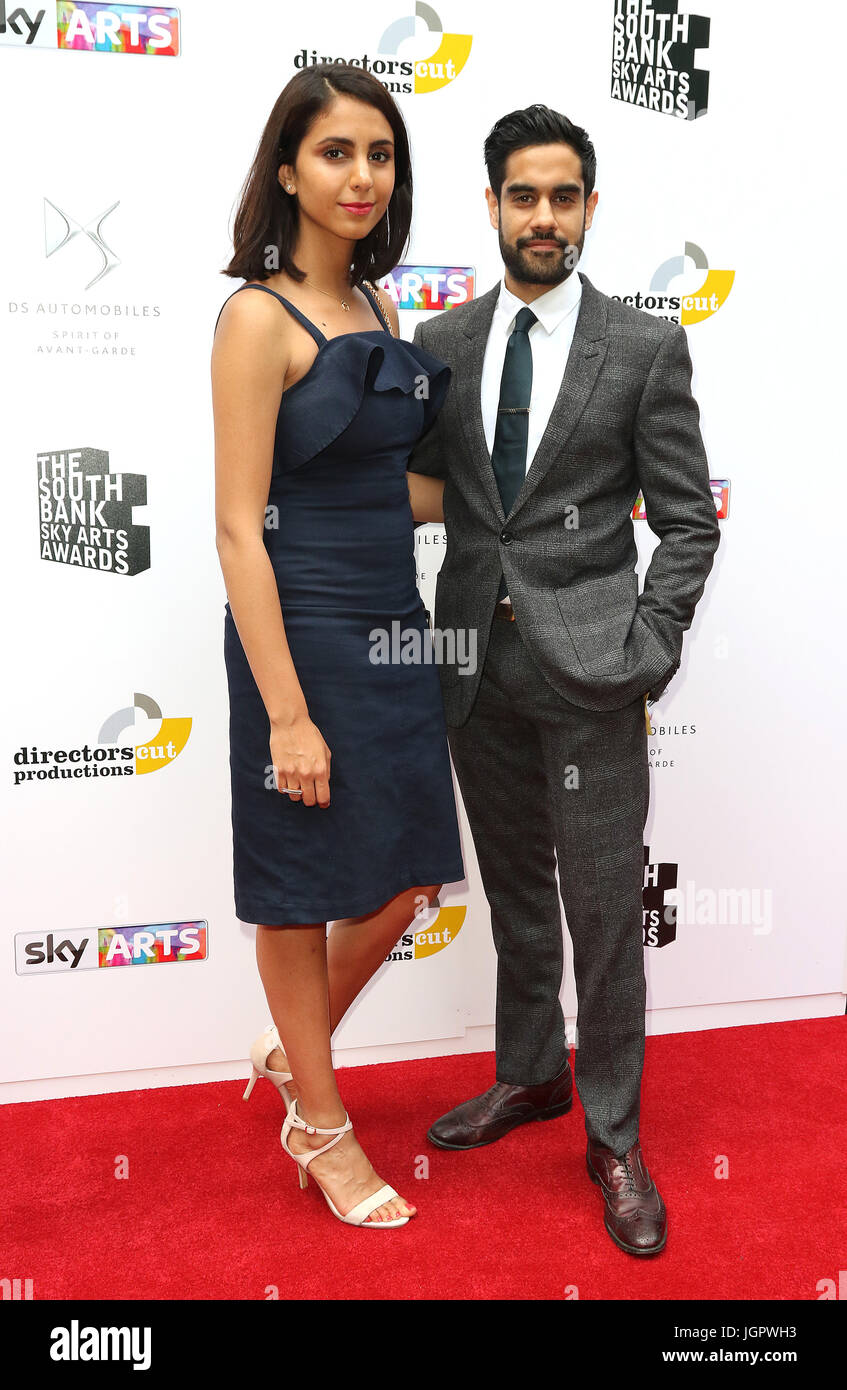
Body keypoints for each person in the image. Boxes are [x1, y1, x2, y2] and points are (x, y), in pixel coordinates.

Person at [406, 104, 721, 1255]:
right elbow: (429, 492)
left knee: (602, 913)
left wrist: (648, 645)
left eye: (565, 196)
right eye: (523, 195)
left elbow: (688, 520)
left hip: (592, 673)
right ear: (489, 204)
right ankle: (531, 1074)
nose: (545, 217)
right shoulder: (440, 344)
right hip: (474, 669)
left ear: (590, 206)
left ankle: (614, 1135)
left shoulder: (642, 346)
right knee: (517, 896)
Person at [211, 63, 464, 1229]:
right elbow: (237, 523)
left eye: (380, 155)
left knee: (412, 868)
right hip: (297, 634)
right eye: (336, 153)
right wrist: (287, 711)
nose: (362, 176)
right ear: (287, 171)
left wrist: (512, 493)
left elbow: (387, 495)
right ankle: (321, 1121)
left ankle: (289, 1057)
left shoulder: (381, 313)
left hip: (393, 630)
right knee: (298, 892)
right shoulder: (256, 317)